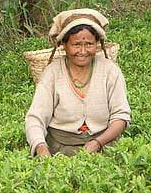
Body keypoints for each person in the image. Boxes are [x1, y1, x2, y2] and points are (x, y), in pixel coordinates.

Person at [25, 9, 131, 157]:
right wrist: (41, 148)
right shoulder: (52, 73)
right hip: (59, 149)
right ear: (64, 45)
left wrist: (97, 142)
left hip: (104, 146)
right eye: (75, 45)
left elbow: (121, 116)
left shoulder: (110, 71)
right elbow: (35, 118)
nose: (82, 51)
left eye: (89, 44)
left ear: (97, 44)